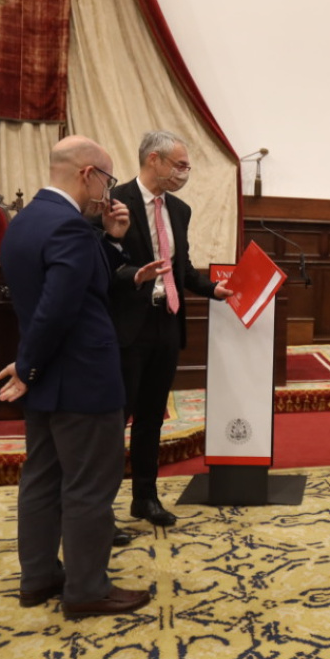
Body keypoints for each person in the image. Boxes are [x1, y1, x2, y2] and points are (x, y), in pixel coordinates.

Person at [0, 136, 150, 619]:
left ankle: (38, 576)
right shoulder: (68, 227)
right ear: (88, 174)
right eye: (107, 178)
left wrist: (110, 238)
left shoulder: (27, 222)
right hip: (81, 379)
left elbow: (78, 283)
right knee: (88, 486)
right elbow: (57, 309)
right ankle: (86, 588)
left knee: (41, 477)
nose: (110, 188)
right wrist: (27, 365)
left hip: (48, 380)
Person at [107, 131, 230, 531]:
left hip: (166, 322)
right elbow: (103, 264)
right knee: (115, 419)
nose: (185, 173)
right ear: (154, 161)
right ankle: (98, 510)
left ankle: (146, 497)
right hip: (126, 327)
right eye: (180, 165)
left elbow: (183, 268)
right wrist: (132, 277)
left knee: (151, 419)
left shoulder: (179, 209)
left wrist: (212, 289)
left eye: (187, 166)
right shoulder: (114, 201)